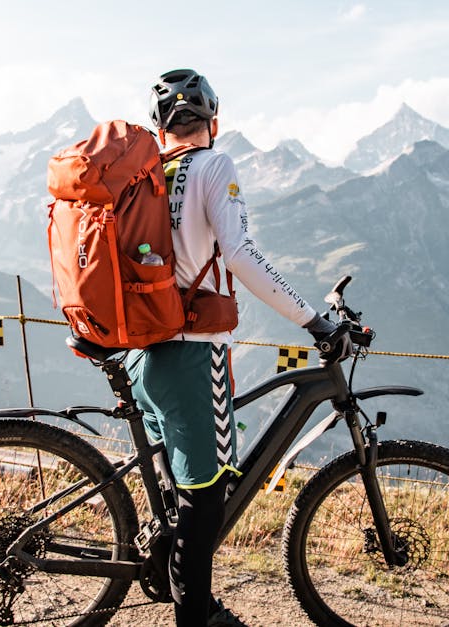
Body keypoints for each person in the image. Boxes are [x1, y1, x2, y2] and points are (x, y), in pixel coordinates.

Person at [131, 68, 348, 627]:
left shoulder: (146, 174)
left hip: (143, 352)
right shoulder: (213, 166)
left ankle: (187, 592)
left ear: (161, 129)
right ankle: (193, 618)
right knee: (206, 497)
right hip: (191, 352)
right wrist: (313, 320)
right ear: (214, 123)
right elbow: (242, 255)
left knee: (185, 491)